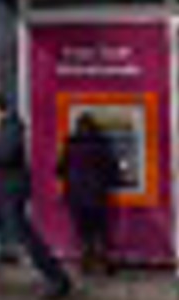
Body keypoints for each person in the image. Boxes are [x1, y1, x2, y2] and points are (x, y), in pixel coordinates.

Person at [0, 95, 71, 299]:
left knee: (25, 238)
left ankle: (58, 279)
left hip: (8, 194)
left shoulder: (12, 128)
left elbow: (4, 154)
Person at [58, 113, 119, 275]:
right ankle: (103, 265)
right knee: (99, 230)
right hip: (96, 193)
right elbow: (112, 168)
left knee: (83, 231)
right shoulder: (101, 144)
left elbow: (60, 169)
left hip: (76, 195)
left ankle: (85, 264)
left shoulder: (70, 144)